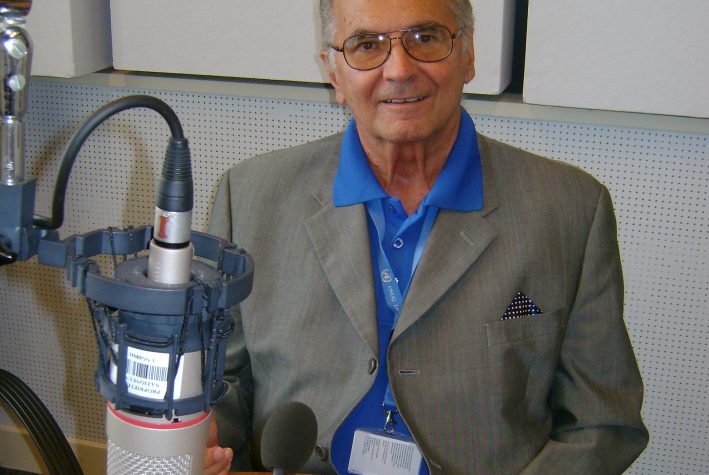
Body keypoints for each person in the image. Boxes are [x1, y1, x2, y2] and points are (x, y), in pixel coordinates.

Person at [203, 0, 648, 473]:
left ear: (469, 55)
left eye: (425, 38)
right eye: (366, 45)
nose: (399, 69)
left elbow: (601, 425)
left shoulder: (570, 210)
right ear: (334, 72)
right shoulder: (250, 195)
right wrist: (200, 441)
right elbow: (222, 383)